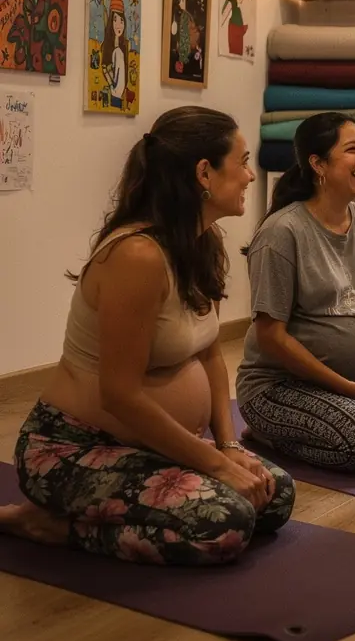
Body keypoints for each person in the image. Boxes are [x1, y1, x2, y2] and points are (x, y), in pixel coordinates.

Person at [0, 107, 294, 565]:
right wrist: (213, 464)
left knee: (274, 495)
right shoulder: (137, 255)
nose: (251, 175)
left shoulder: (202, 241)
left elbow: (212, 355)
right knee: (225, 525)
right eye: (242, 161)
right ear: (204, 172)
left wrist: (227, 445)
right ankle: (48, 524)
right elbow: (118, 394)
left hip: (155, 446)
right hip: (72, 451)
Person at [236, 112, 355, 473]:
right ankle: (268, 433)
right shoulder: (282, 232)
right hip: (281, 386)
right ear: (318, 164)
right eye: (352, 149)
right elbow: (271, 337)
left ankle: (353, 419)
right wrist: (346, 388)